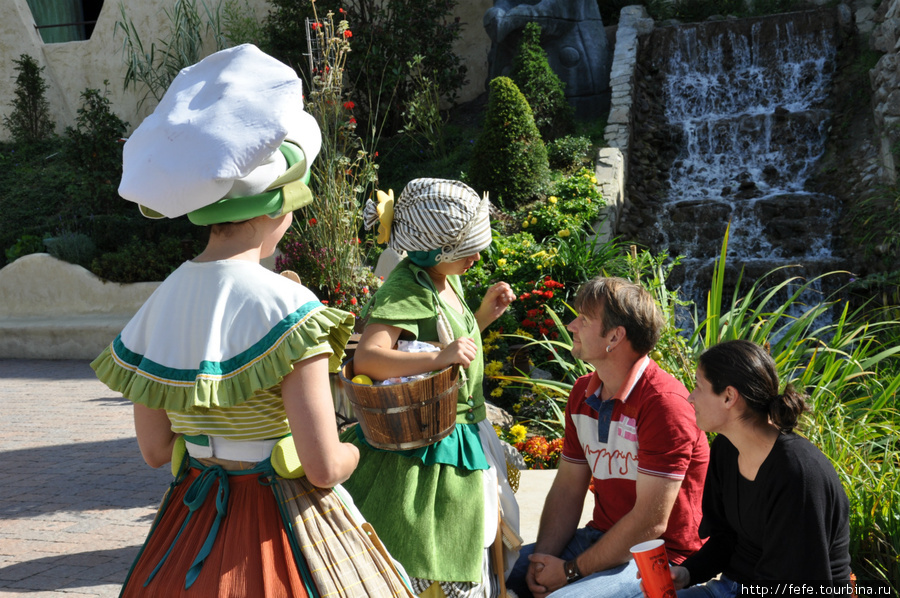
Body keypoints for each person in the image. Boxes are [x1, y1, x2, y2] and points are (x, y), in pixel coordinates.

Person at [91, 44, 411, 597]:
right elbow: (322, 467)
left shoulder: (156, 306)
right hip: (276, 527)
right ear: (275, 210)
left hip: (191, 525)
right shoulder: (292, 312)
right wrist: (363, 446)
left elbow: (152, 449)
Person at [339, 178, 520, 597]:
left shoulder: (443, 277)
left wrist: (481, 316)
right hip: (429, 443)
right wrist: (439, 358)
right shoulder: (406, 286)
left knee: (477, 541)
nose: (477, 256)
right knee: (434, 554)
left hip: (465, 433)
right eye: (466, 250)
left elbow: (444, 340)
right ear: (435, 249)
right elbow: (368, 358)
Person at [507, 276, 709, 598]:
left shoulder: (664, 404)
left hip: (660, 558)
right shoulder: (582, 393)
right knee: (488, 579)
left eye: (584, 319)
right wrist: (542, 563)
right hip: (598, 539)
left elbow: (649, 523)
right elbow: (568, 489)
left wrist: (570, 572)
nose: (572, 325)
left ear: (614, 336)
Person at [671, 339, 851, 595]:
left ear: (729, 397)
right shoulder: (726, 448)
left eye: (699, 386)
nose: (690, 396)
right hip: (730, 586)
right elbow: (725, 539)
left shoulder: (797, 474)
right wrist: (689, 572)